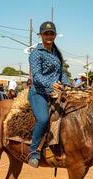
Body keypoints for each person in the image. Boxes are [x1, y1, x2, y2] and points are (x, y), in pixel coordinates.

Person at [28, 21, 71, 168]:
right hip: (39, 92)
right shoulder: (36, 54)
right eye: (46, 33)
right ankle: (33, 152)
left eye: (51, 33)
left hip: (56, 92)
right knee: (44, 119)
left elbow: (61, 72)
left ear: (55, 35)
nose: (49, 36)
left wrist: (68, 84)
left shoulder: (56, 52)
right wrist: (50, 84)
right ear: (40, 35)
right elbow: (37, 76)